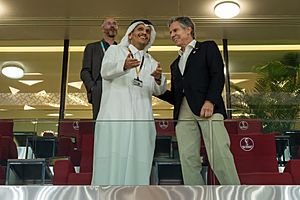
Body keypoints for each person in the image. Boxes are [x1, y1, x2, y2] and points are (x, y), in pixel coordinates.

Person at [158, 16, 240, 185]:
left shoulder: (207, 47)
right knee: (188, 158)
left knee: (219, 153)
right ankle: (195, 194)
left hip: (207, 107)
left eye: (175, 30)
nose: (172, 35)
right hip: (183, 112)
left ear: (189, 30)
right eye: (171, 32)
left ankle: (234, 192)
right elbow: (176, 96)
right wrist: (155, 87)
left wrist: (210, 101)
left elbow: (217, 76)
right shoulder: (175, 64)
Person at [92, 19, 167, 185]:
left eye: (148, 31)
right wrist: (123, 66)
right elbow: (104, 72)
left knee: (138, 163)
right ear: (130, 34)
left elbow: (159, 90)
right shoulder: (115, 51)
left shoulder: (152, 62)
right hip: (116, 118)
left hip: (141, 120)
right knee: (112, 162)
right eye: (140, 29)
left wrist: (159, 78)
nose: (144, 33)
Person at [80, 17, 118, 120]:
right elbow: (85, 71)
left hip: (118, 88)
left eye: (114, 23)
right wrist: (93, 87)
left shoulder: (122, 50)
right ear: (103, 28)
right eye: (109, 23)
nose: (112, 25)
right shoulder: (92, 47)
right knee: (100, 122)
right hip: (100, 87)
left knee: (118, 121)